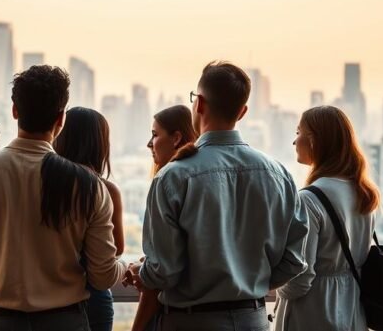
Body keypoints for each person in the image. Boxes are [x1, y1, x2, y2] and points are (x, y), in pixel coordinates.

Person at [127, 61, 308, 331]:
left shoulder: (174, 177)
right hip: (253, 320)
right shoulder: (278, 174)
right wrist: (248, 283)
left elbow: (164, 270)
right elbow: (294, 261)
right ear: (243, 111)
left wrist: (140, 272)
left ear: (199, 103)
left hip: (190, 322)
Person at [0, 65, 127, 331]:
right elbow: (102, 276)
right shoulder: (88, 185)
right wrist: (126, 270)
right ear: (61, 119)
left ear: (15, 110)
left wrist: (0, 275)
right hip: (65, 321)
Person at [273, 106, 380, 330]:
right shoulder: (363, 193)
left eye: (298, 132)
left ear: (314, 141)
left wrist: (275, 287)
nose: (295, 142)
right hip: (353, 309)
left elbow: (301, 278)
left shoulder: (309, 199)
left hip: (314, 312)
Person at [53, 107, 125, 331]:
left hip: (51, 295)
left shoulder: (47, 185)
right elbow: (117, 247)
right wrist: (124, 269)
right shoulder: (106, 189)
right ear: (100, 144)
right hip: (94, 295)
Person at [130, 105, 198, 331]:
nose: (150, 143)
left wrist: (145, 271)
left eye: (155, 135)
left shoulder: (168, 180)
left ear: (177, 137)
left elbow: (161, 273)